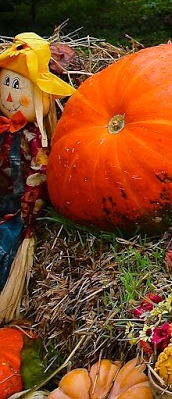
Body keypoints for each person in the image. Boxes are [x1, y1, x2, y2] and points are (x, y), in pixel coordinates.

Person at [0, 32, 75, 321]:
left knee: (6, 247)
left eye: (17, 86)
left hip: (20, 209)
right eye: (6, 83)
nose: (8, 94)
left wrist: (30, 213)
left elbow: (38, 174)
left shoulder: (36, 141)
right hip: (4, 198)